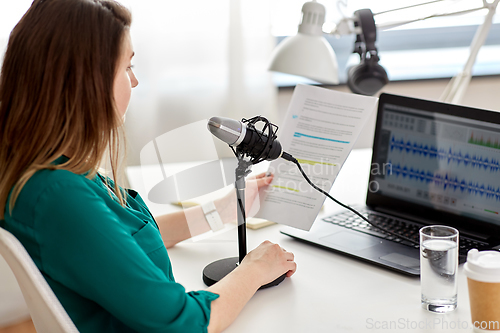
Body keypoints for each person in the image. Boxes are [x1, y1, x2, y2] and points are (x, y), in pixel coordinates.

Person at [0, 1, 297, 332]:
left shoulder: (44, 166)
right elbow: (184, 322)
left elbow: (120, 240)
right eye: (127, 67)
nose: (135, 81)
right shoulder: (59, 196)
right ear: (88, 82)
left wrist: (222, 210)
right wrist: (254, 269)